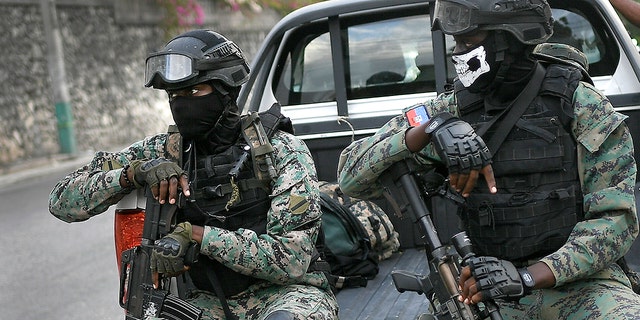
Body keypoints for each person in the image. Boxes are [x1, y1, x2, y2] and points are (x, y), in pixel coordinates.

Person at [337, 0, 640, 319]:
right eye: (456, 42)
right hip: (481, 288)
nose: (458, 53)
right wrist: (432, 128)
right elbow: (350, 177)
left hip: (580, 285)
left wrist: (527, 276)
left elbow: (615, 223)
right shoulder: (451, 108)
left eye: (469, 41)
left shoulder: (580, 105)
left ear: (510, 39)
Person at [49, 29, 339, 320]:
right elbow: (61, 200)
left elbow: (292, 259)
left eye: (193, 92)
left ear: (226, 90)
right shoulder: (162, 151)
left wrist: (199, 237)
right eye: (174, 95)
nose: (181, 104)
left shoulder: (280, 149)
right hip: (205, 300)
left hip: (286, 294)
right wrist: (132, 173)